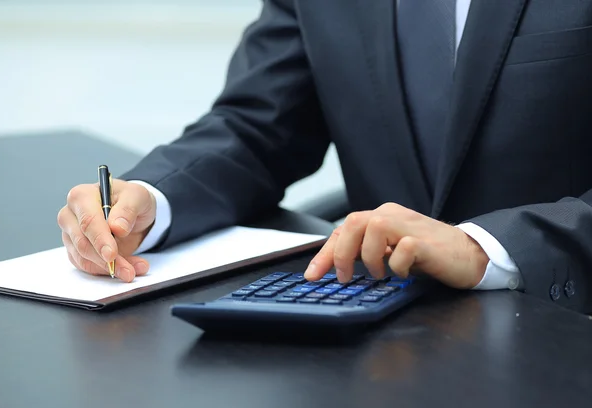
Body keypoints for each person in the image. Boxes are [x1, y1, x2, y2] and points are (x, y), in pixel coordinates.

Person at [57, 1, 592, 314]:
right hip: (375, 337)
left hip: (559, 329)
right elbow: (257, 126)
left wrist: (487, 247)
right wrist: (149, 199)